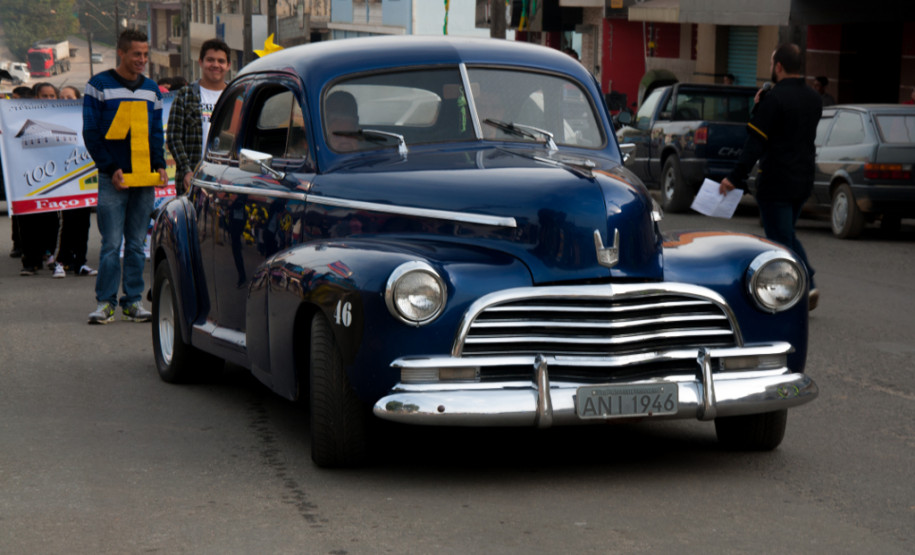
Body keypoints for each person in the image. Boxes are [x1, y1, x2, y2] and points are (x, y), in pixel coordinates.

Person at [720, 43, 823, 310]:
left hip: (776, 180)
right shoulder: (814, 98)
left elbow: (755, 143)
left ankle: (803, 285)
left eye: (770, 63)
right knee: (785, 233)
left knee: (780, 240)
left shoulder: (773, 99)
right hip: (803, 179)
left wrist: (734, 177)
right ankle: (802, 284)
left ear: (778, 67)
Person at [83, 29, 168, 324]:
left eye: (145, 55)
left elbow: (156, 133)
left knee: (135, 245)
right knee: (110, 244)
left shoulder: (152, 90)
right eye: (136, 54)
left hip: (144, 179)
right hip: (112, 180)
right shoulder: (98, 85)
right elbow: (92, 133)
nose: (142, 60)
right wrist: (110, 168)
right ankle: (105, 304)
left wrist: (159, 164)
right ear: (121, 52)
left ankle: (132, 302)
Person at [167, 38, 230, 194]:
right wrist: (187, 170)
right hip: (193, 178)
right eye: (210, 60)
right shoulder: (185, 95)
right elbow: (174, 137)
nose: (215, 65)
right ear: (200, 62)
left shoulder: (235, 97)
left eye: (221, 61)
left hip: (227, 180)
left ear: (228, 66)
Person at [16, 83, 61, 276]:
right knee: (28, 220)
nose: (48, 99)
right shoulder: (21, 118)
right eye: (44, 95)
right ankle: (30, 261)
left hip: (53, 177)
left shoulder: (62, 118)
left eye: (52, 96)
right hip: (29, 176)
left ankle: (48, 252)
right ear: (36, 97)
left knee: (51, 219)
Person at [53, 85, 97, 278]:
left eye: (70, 97)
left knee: (84, 222)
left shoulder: (87, 117)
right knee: (68, 221)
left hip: (84, 179)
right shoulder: (53, 119)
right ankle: (61, 261)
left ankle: (80, 262)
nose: (66, 100)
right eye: (62, 97)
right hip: (65, 180)